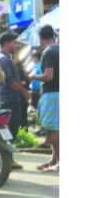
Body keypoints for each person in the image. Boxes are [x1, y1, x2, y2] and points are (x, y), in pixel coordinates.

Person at [0, 33, 31, 170]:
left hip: (6, 97)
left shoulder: (2, 57)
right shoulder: (4, 60)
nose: (16, 46)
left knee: (9, 129)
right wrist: (24, 91)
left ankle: (8, 158)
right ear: (7, 43)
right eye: (14, 43)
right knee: (11, 128)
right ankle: (7, 159)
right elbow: (10, 81)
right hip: (9, 98)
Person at [28, 25, 59, 172]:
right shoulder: (58, 49)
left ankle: (59, 161)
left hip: (52, 93)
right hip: (57, 92)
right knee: (53, 128)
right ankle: (54, 160)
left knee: (53, 129)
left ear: (40, 38)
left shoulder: (49, 52)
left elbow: (48, 76)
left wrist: (33, 76)